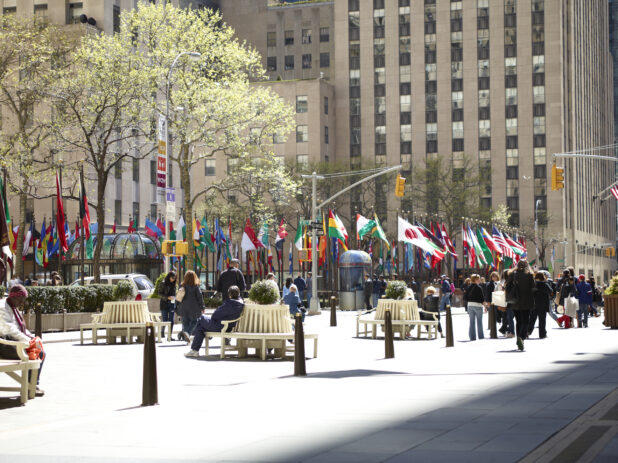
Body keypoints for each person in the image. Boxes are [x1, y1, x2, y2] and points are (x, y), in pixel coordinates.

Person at [0, 285, 45, 396]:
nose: (21, 303)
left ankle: (32, 385)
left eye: (23, 301)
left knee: (40, 352)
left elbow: (21, 328)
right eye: (20, 300)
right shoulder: (2, 307)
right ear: (14, 297)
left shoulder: (13, 307)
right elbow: (9, 329)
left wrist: (33, 338)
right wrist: (29, 342)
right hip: (3, 344)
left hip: (11, 341)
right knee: (36, 353)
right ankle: (31, 386)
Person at [185, 286, 245, 358]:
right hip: (228, 326)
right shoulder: (240, 303)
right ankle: (194, 349)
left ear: (230, 295)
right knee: (201, 327)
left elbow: (215, 315)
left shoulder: (230, 304)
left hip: (220, 326)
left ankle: (193, 344)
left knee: (200, 318)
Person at [505, 260, 536, 351]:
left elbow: (507, 287)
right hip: (526, 301)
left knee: (519, 321)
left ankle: (519, 340)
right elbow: (533, 288)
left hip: (515, 301)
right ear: (527, 266)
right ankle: (521, 338)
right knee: (526, 322)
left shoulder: (512, 275)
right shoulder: (529, 276)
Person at [177, 270, 205, 343]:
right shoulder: (196, 287)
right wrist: (202, 307)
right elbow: (200, 297)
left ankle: (186, 335)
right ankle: (188, 333)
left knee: (185, 322)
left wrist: (176, 307)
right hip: (194, 307)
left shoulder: (181, 286)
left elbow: (178, 297)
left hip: (183, 307)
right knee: (194, 321)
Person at [530, 272, 552, 338]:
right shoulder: (544, 284)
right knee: (542, 320)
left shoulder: (533, 284)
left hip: (534, 304)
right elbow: (550, 290)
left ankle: (528, 332)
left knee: (532, 319)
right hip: (543, 304)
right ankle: (542, 334)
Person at [464, 274, 485, 341]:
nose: (479, 280)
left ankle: (472, 337)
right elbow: (482, 298)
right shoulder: (479, 288)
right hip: (478, 306)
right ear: (475, 279)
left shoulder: (468, 287)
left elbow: (465, 298)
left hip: (470, 305)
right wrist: (485, 306)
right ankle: (481, 337)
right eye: (478, 279)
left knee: (471, 322)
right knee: (479, 322)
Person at [158, 271, 177, 340]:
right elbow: (159, 294)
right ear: (169, 277)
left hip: (171, 304)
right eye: (172, 278)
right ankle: (162, 332)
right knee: (165, 319)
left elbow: (174, 294)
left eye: (174, 278)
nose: (173, 279)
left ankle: (170, 336)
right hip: (164, 304)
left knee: (171, 320)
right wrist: (167, 297)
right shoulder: (163, 283)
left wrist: (175, 298)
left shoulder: (174, 285)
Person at [498, 270, 515, 338]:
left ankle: (511, 332)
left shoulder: (507, 283)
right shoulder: (514, 281)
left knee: (509, 317)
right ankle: (509, 330)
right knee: (511, 317)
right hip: (516, 301)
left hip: (509, 302)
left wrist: (503, 289)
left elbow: (505, 293)